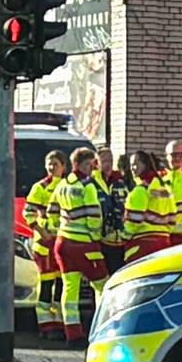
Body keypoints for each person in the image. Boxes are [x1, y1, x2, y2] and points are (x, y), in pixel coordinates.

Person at [50, 147, 107, 347]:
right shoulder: (87, 186)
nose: (92, 169)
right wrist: (95, 236)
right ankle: (102, 329)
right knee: (102, 285)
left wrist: (59, 228)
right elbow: (93, 215)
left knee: (70, 288)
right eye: (89, 165)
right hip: (84, 243)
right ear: (80, 164)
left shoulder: (62, 185)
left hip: (63, 242)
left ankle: (72, 333)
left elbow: (52, 211)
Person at [24, 150, 69, 339]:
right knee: (46, 284)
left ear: (63, 166)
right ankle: (46, 326)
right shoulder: (40, 187)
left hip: (62, 242)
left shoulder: (68, 186)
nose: (52, 167)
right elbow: (28, 213)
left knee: (60, 285)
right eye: (49, 164)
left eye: (56, 164)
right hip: (44, 244)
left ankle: (59, 323)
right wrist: (41, 231)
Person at [123, 151, 174, 261]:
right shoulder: (164, 189)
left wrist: (123, 237)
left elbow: (134, 221)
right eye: (131, 165)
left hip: (142, 244)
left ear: (145, 165)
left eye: (136, 164)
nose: (132, 168)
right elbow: (173, 217)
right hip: (164, 242)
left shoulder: (140, 190)